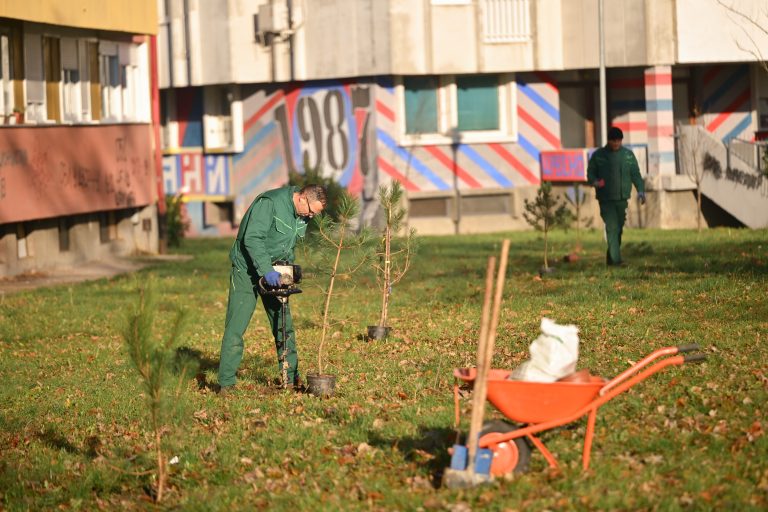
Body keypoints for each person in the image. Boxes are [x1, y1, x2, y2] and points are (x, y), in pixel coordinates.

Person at [218, 184, 327, 395]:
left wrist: (288, 270)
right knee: (236, 326)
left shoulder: (302, 214)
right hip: (247, 270)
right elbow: (252, 238)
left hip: (276, 273)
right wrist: (266, 270)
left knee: (284, 324)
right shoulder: (269, 203)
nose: (311, 217)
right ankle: (226, 383)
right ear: (302, 198)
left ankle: (290, 378)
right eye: (311, 211)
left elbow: (288, 244)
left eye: (315, 214)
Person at [586, 127, 646, 266]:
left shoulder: (628, 155)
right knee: (612, 227)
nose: (616, 144)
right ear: (609, 141)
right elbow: (590, 173)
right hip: (606, 199)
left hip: (622, 198)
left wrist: (641, 190)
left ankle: (611, 259)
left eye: (619, 141)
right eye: (614, 141)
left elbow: (635, 174)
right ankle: (617, 261)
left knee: (618, 229)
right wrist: (595, 182)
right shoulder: (598, 155)